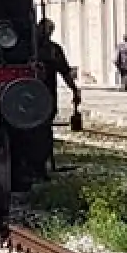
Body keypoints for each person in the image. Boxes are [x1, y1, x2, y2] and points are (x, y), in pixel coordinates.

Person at [35, 19, 83, 175]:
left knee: (45, 130)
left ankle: (43, 164)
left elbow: (65, 72)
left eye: (49, 31)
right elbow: (65, 73)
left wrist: (75, 90)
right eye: (45, 30)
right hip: (37, 95)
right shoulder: (48, 49)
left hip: (45, 96)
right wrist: (74, 90)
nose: (47, 34)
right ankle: (41, 164)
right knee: (43, 131)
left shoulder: (53, 50)